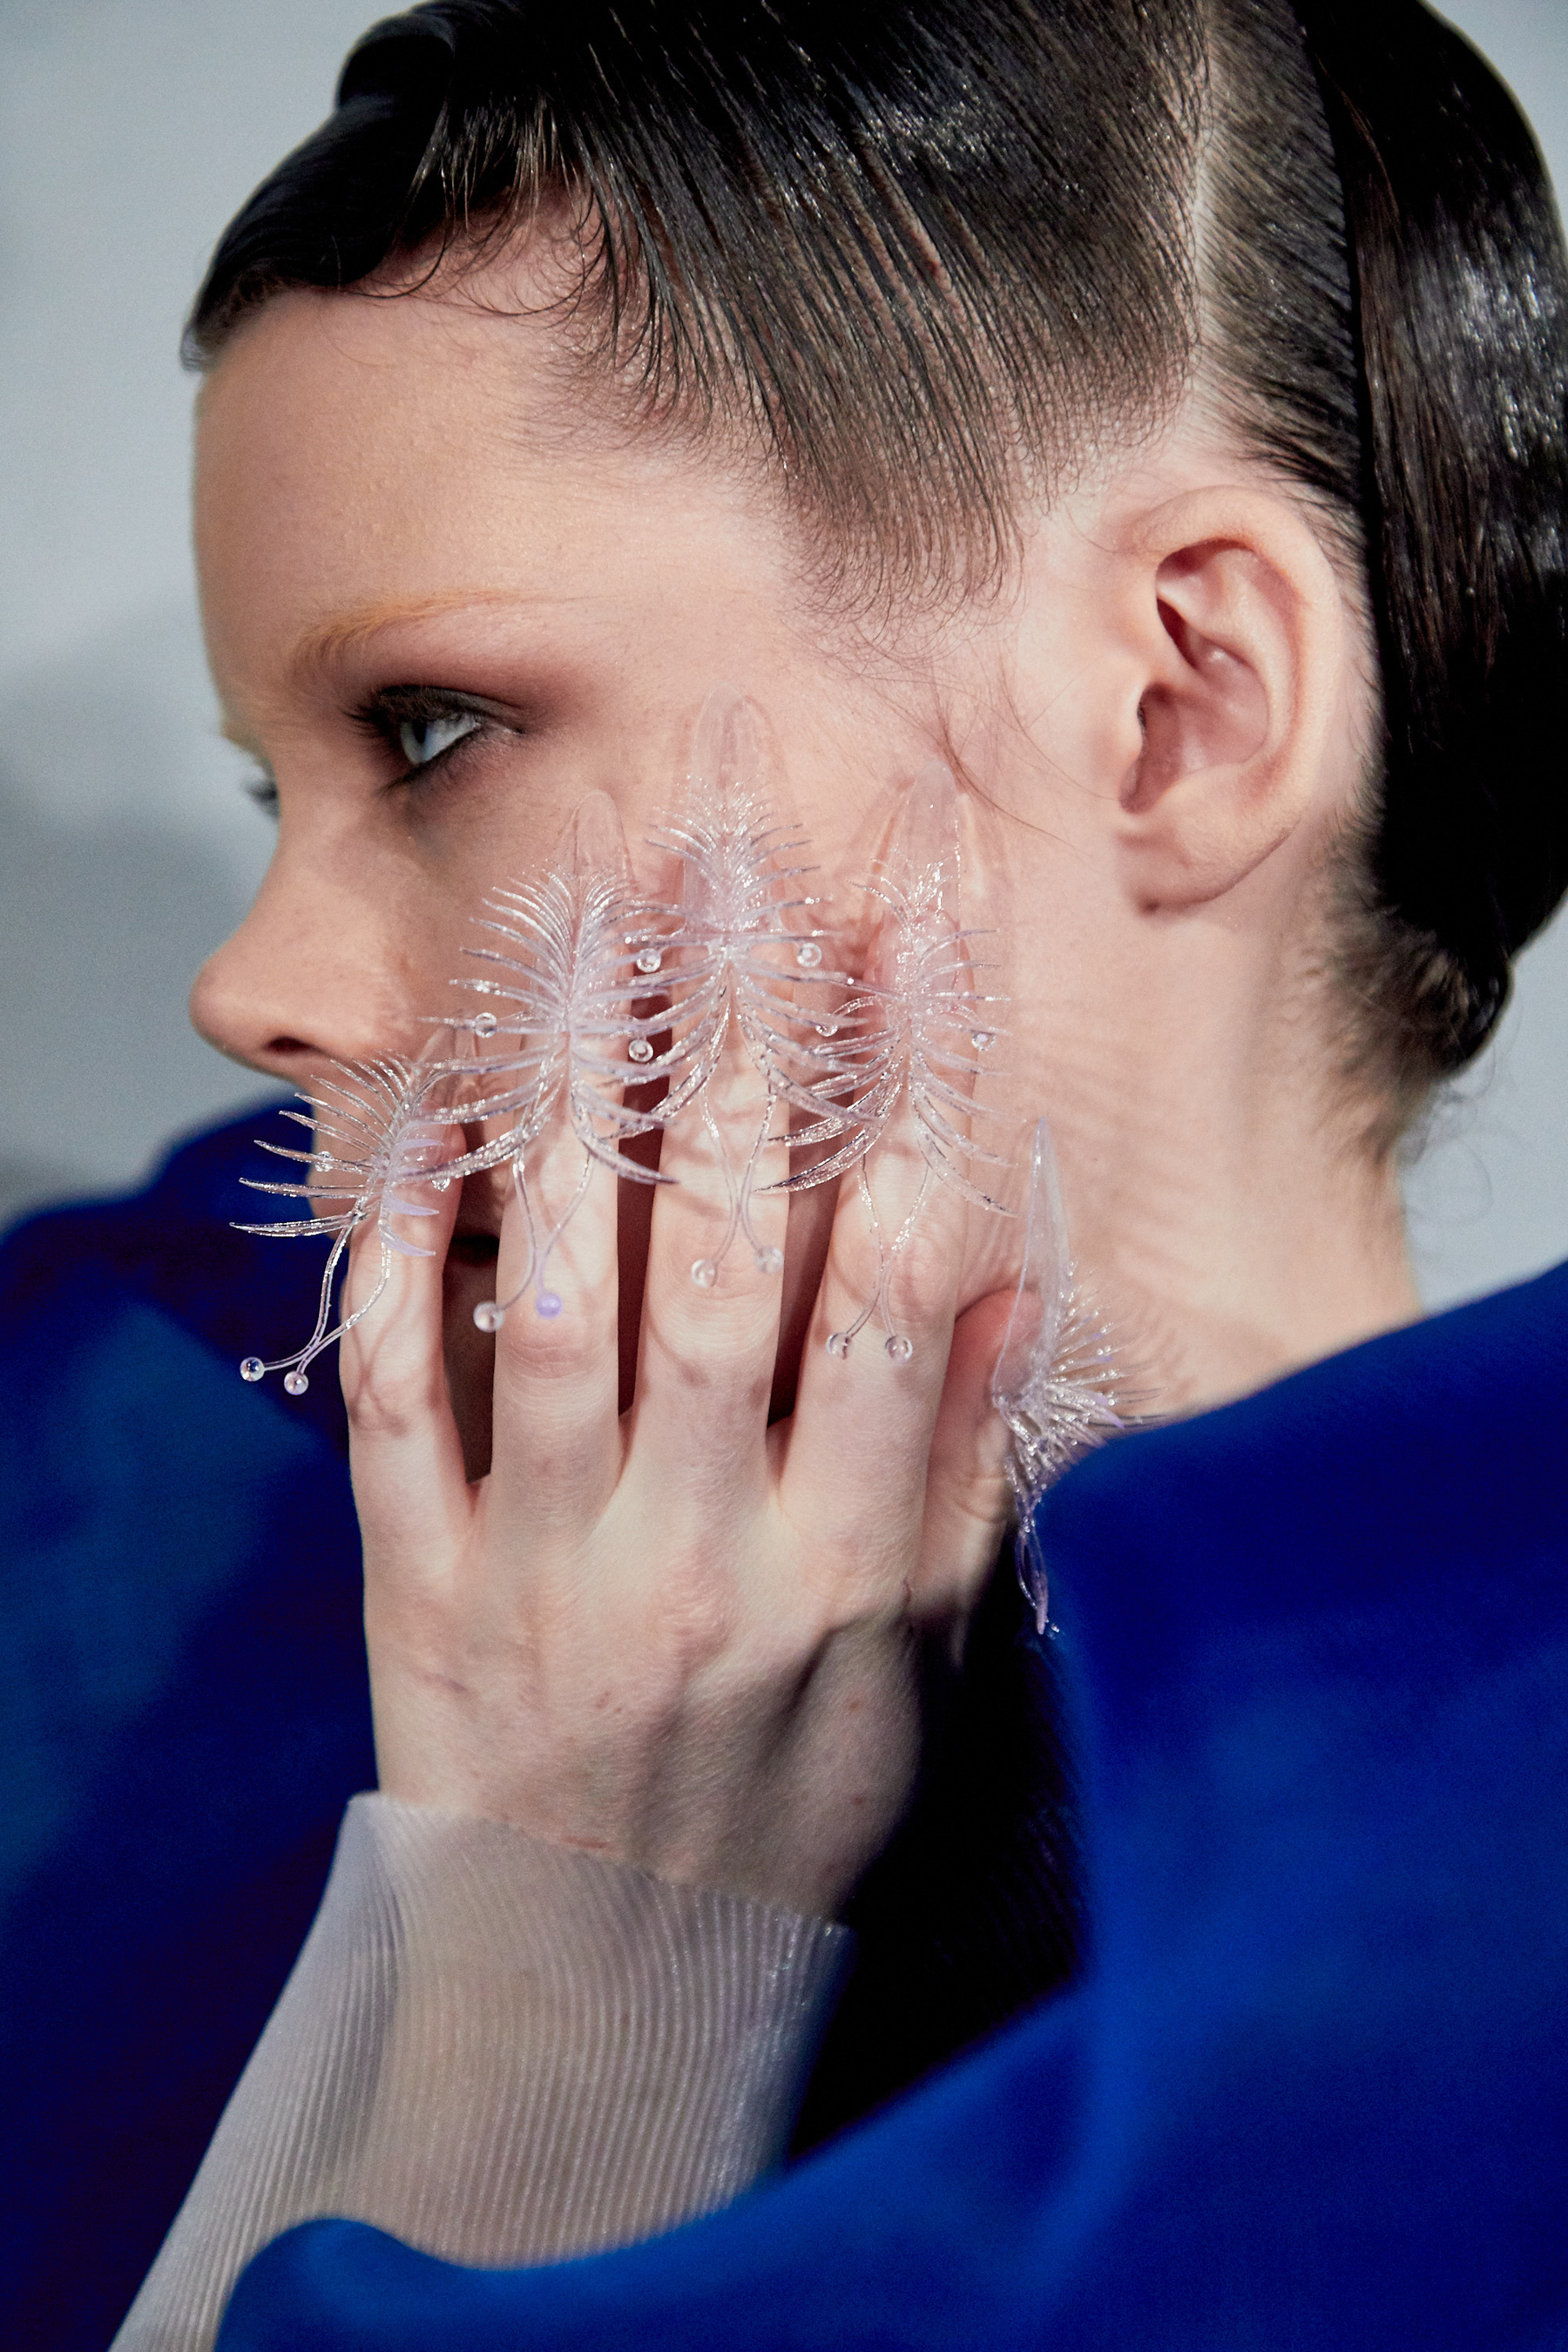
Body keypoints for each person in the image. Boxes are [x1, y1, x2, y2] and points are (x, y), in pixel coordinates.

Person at [2, 0, 1564, 2345]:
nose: (251, 984)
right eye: (271, 795)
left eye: (429, 733)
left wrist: (565, 1947)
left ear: (1180, 704)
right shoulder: (140, 1465)